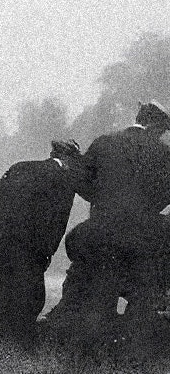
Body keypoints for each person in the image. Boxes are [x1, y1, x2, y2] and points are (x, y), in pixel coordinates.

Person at [45, 101, 170, 352]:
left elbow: (83, 183)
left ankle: (84, 343)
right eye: (163, 130)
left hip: (100, 234)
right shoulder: (165, 154)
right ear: (155, 124)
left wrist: (106, 200)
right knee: (147, 291)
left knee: (94, 287)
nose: (162, 135)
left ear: (138, 116)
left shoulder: (104, 143)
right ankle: (137, 348)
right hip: (145, 239)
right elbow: (164, 196)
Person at [0, 141, 79, 345]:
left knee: (5, 291)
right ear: (70, 160)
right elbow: (58, 221)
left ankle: (6, 340)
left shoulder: (20, 166)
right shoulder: (64, 179)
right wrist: (47, 253)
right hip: (28, 244)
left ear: (52, 153)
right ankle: (24, 342)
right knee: (33, 295)